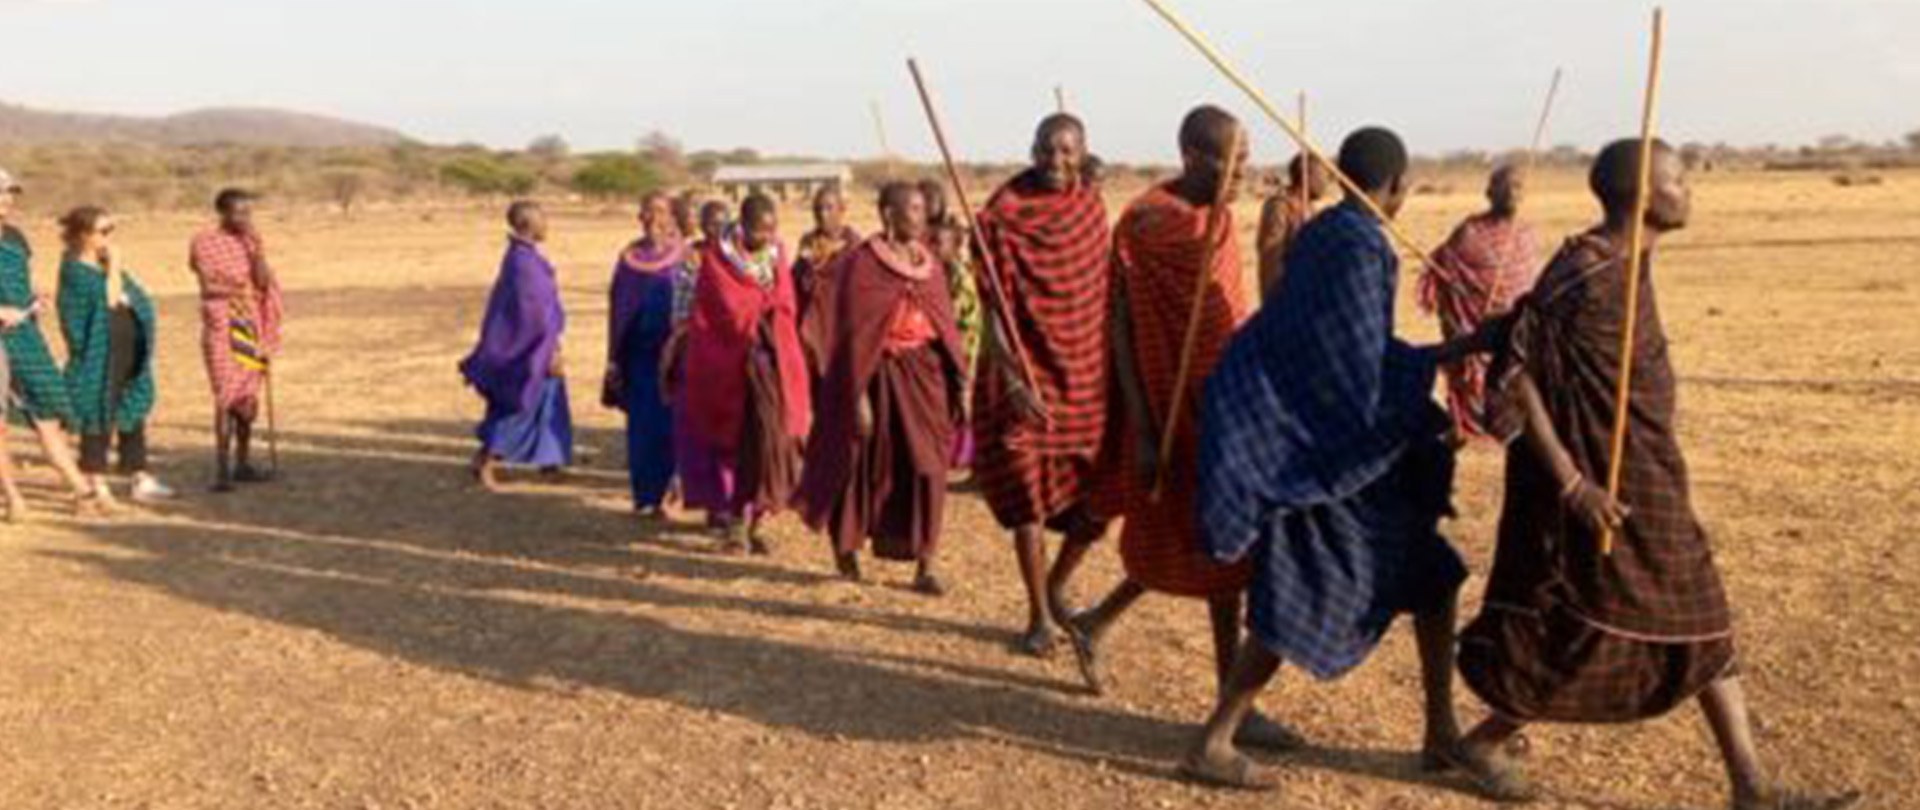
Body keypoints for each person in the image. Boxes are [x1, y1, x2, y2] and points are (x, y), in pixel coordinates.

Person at [1451, 139, 1861, 810]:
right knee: (1605, 621)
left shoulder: (1624, 264)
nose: (1689, 189)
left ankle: (1749, 784)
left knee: (1693, 616)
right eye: (1677, 179)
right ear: (1643, 193)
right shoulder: (1588, 273)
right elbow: (1519, 377)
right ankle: (1483, 741)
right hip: (1600, 485)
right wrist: (1572, 484)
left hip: (1649, 473)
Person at [1179, 126, 1492, 790]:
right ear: (1398, 188)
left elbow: (1346, 352)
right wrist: (1456, 355)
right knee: (1302, 596)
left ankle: (1440, 735)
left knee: (1435, 577)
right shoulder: (1355, 246)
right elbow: (1354, 372)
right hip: (1314, 453)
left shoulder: (1326, 233)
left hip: (1303, 432)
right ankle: (1215, 739)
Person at [1065, 109, 1293, 757]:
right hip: (1167, 410)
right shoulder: (1147, 224)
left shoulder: (1218, 220)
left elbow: (1232, 311)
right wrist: (1140, 425)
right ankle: (1232, 706)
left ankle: (1099, 622)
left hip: (1224, 406)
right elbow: (1120, 328)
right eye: (1232, 159)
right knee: (1209, 544)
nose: (1245, 170)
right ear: (1192, 155)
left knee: (1218, 542)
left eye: (1248, 156)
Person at [971, 113, 1114, 655]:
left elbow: (1100, 292)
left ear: (1083, 152)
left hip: (1083, 377)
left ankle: (1058, 584)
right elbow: (993, 311)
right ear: (1032, 150)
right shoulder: (1001, 218)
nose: (1057, 161)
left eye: (1068, 151)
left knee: (1101, 499)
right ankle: (1038, 617)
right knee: (1027, 502)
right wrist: (1011, 379)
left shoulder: (1089, 207)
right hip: (1023, 378)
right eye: (1047, 150)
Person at [798, 182, 967, 593]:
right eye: (911, 208)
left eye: (922, 208)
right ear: (888, 214)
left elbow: (946, 328)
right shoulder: (863, 265)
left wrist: (960, 381)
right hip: (874, 378)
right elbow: (854, 336)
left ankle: (925, 563)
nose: (921, 215)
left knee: (929, 466)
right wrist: (857, 397)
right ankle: (846, 548)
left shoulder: (930, 263)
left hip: (924, 378)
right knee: (859, 466)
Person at [683, 194, 810, 554]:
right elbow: (724, 310)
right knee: (740, 449)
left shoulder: (776, 255)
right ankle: (736, 523)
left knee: (771, 445)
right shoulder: (717, 261)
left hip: (772, 366)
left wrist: (771, 316)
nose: (766, 237)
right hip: (732, 368)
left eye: (772, 230)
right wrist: (761, 310)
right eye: (759, 230)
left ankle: (755, 522)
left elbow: (786, 303)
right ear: (743, 224)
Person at [0, 166, 100, 516]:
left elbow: (19, 282)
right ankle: (14, 498)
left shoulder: (14, 238)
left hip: (25, 335)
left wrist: (33, 299)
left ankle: (80, 491)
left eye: (10, 193)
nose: (7, 200)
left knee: (50, 409)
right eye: (1, 193)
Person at [57, 206, 172, 507]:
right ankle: (96, 480)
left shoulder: (104, 264)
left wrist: (116, 273)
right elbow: (108, 300)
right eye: (103, 231)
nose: (109, 238)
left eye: (111, 230)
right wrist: (116, 266)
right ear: (83, 235)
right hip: (98, 355)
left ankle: (139, 475)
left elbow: (133, 295)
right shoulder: (73, 269)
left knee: (132, 407)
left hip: (126, 347)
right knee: (97, 413)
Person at [1419, 164, 1540, 441]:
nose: (1512, 192)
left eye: (1518, 186)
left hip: (1517, 330)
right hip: (1479, 330)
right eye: (1505, 186)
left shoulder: (1526, 234)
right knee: (1477, 385)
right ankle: (1470, 426)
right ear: (1490, 192)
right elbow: (1445, 274)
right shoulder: (1470, 233)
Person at [460, 200, 572, 489]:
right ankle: (486, 459)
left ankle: (550, 462)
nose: (547, 225)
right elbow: (533, 313)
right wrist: (548, 348)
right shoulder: (523, 264)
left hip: (539, 345)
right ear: (529, 225)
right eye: (543, 220)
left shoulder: (525, 257)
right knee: (519, 402)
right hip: (528, 349)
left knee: (549, 401)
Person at [188, 188, 286, 492]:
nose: (245, 218)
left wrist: (257, 250)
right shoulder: (205, 242)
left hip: (250, 327)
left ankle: (242, 464)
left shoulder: (250, 242)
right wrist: (239, 291)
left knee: (247, 400)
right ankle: (221, 470)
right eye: (238, 212)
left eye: (248, 213)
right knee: (225, 398)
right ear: (222, 213)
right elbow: (209, 284)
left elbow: (262, 282)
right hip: (222, 326)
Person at [605, 192, 686, 519]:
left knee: (674, 427)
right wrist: (613, 357)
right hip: (637, 359)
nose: (654, 218)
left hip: (673, 359)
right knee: (641, 430)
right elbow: (617, 310)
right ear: (639, 216)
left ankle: (673, 493)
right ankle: (646, 496)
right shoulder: (628, 259)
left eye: (661, 212)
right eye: (647, 211)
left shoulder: (685, 255)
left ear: (671, 217)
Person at [670, 199, 737, 526]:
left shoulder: (742, 259)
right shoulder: (691, 262)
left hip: (736, 359)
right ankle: (716, 504)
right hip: (701, 357)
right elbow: (681, 315)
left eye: (723, 223)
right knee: (704, 435)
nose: (716, 230)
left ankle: (736, 505)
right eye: (710, 223)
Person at [930, 217, 981, 473]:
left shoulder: (960, 278)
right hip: (948, 349)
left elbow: (963, 324)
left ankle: (964, 453)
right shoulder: (939, 274)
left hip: (964, 350)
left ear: (954, 246)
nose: (934, 249)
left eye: (939, 244)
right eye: (932, 243)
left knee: (963, 403)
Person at [1255, 153, 1330, 301]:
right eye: (1323, 175)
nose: (1326, 182)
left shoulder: (1309, 208)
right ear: (1307, 176)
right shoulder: (1280, 207)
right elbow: (1271, 261)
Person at [792, 186, 860, 330]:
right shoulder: (808, 242)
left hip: (843, 322)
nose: (822, 215)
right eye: (818, 209)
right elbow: (796, 281)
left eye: (829, 208)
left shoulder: (854, 245)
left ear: (841, 210)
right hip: (813, 324)